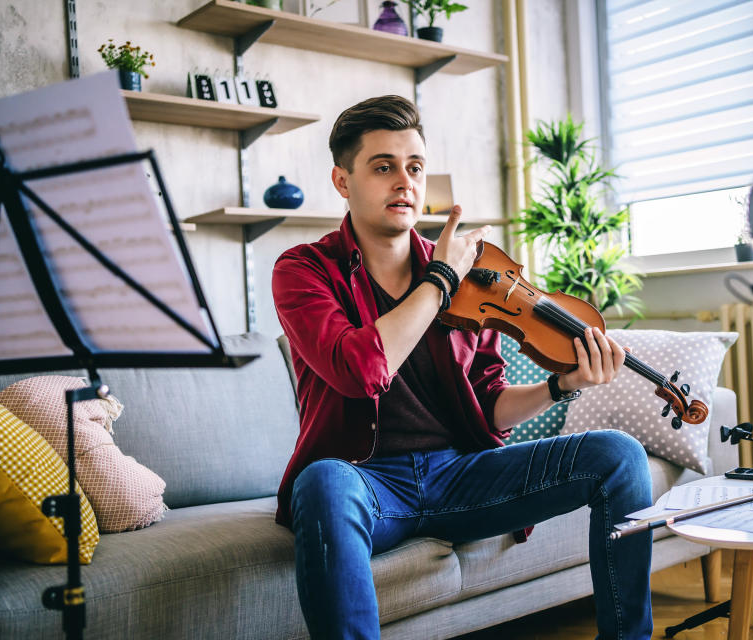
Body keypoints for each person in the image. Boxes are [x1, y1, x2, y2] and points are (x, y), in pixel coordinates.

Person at [272, 95, 653, 640]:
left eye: (415, 167)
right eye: (383, 167)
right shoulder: (305, 270)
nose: (404, 181)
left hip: (461, 474)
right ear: (342, 181)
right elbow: (358, 371)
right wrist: (439, 281)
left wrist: (561, 383)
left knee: (618, 455)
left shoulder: (472, 279)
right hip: (367, 482)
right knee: (323, 482)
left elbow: (491, 405)